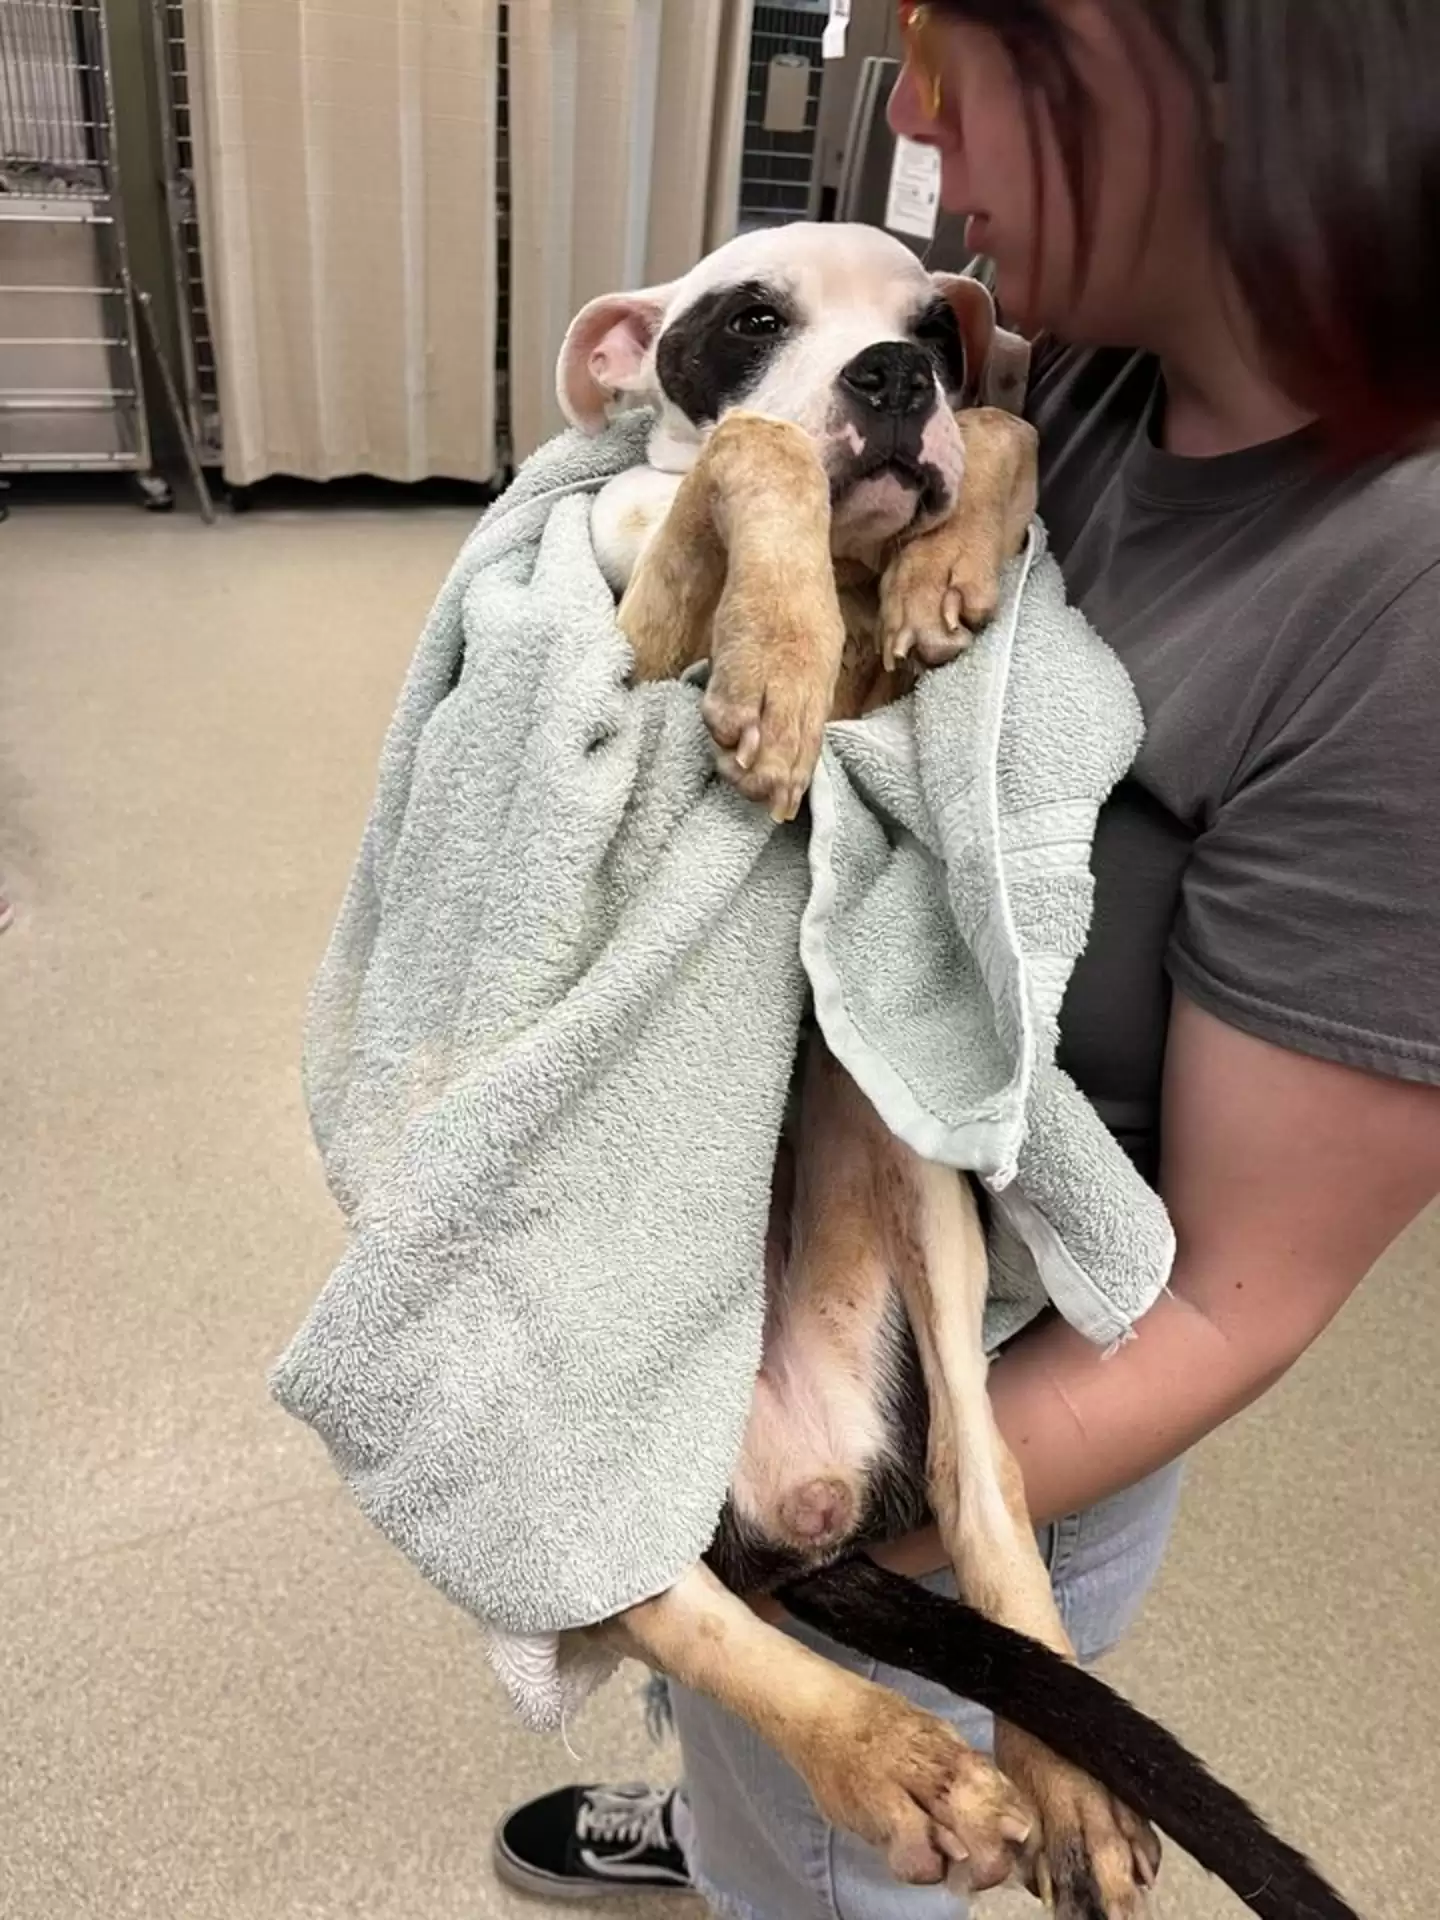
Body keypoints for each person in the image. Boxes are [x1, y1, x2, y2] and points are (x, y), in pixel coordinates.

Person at [494, 1, 1440, 1912]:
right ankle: (709, 1801)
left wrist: (815, 1565)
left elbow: (1235, 1302)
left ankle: (764, 1823)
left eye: (945, 32)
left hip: (967, 1414)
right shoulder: (1063, 369)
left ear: (1229, 52)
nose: (909, 104)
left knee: (840, 1864)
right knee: (745, 1779)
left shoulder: (1400, 604)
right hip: (685, 1217)